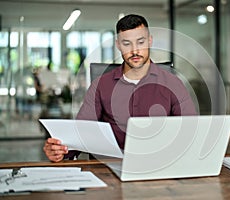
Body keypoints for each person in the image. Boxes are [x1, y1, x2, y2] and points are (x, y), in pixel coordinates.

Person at [43, 14, 197, 162]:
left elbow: (190, 132)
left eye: (140, 42)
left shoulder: (173, 83)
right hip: (111, 168)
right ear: (118, 45)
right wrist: (61, 150)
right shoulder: (101, 85)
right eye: (126, 43)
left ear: (150, 41)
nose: (134, 51)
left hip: (158, 166)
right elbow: (82, 132)